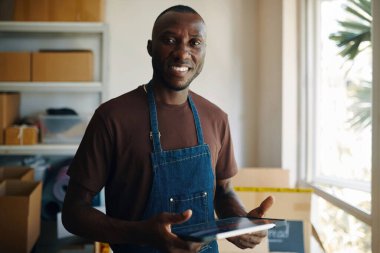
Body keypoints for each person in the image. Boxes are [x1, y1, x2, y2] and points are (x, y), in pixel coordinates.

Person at [62, 5, 273, 253]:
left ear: (203, 51)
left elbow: (224, 191)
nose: (182, 53)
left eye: (195, 42)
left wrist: (240, 225)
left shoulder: (216, 118)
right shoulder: (112, 118)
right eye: (170, 40)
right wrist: (140, 233)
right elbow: (73, 212)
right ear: (150, 48)